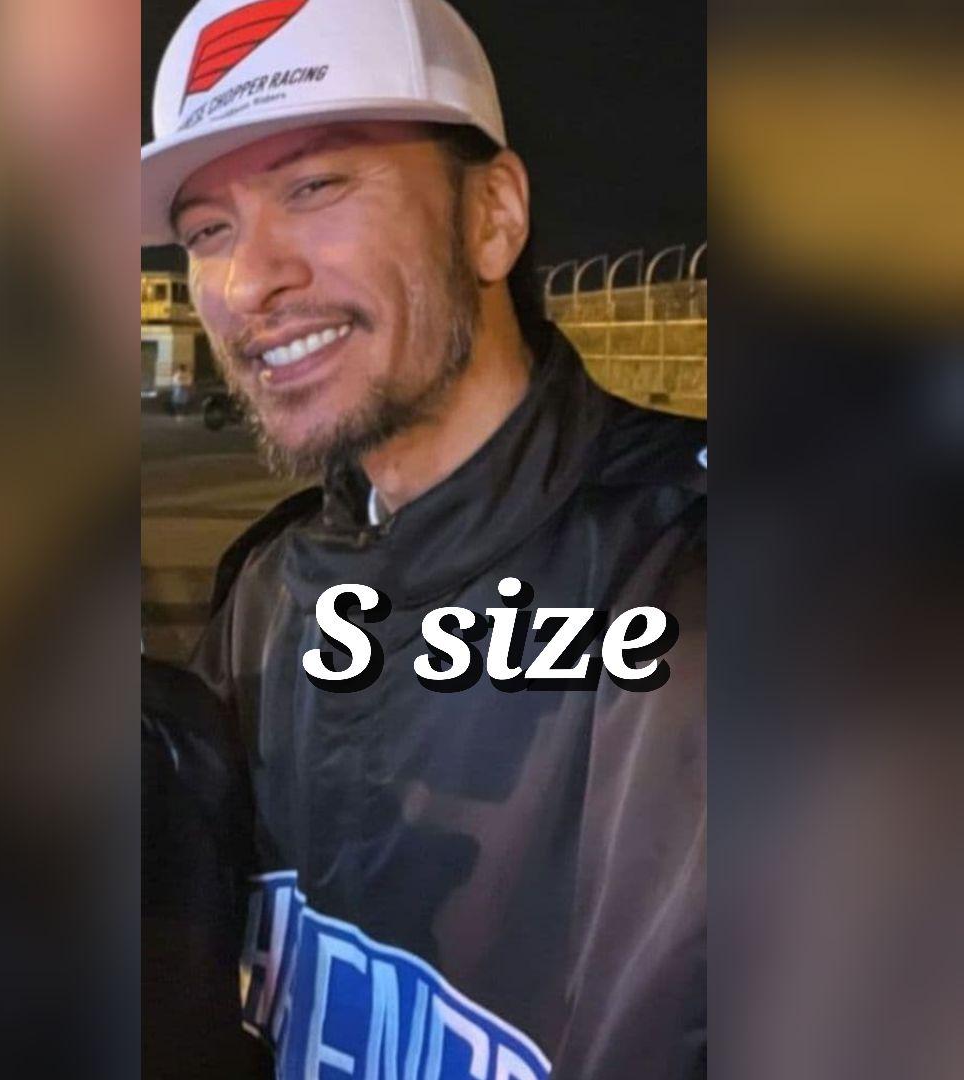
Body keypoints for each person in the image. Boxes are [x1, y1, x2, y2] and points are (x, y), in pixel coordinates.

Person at [141, 1, 706, 1077]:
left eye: (315, 187)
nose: (249, 281)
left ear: (493, 215)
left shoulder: (734, 596)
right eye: (207, 230)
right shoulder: (269, 589)